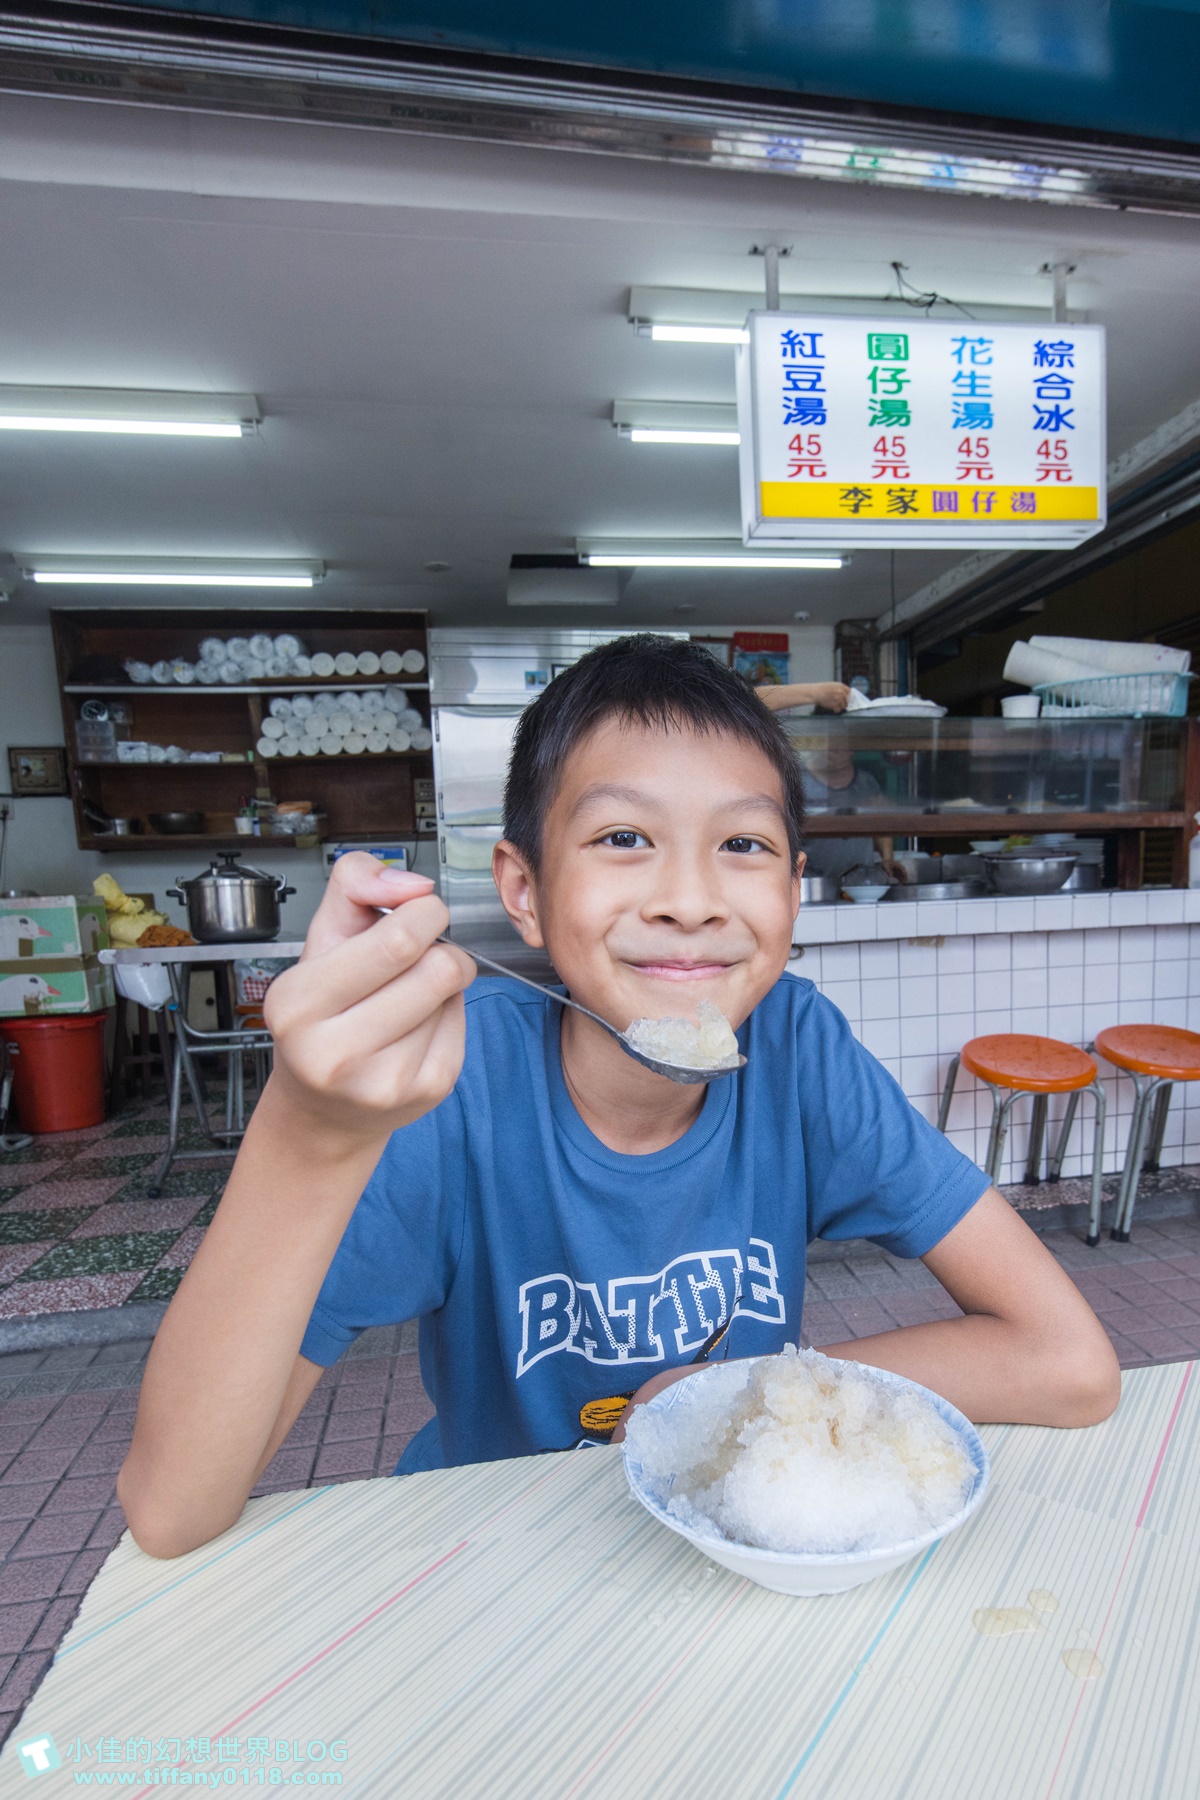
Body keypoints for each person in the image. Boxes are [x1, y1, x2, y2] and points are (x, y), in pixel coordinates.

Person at [118, 635, 1119, 1558]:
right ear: (524, 890)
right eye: (624, 838)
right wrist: (309, 1129)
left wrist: (755, 1391)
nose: (690, 898)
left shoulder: (798, 1050)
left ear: (795, 888)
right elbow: (172, 1509)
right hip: (497, 1554)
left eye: (744, 846)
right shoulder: (452, 1091)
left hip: (719, 1552)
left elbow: (1069, 1363)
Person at [754, 681, 902, 882]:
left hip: (861, 887)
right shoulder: (796, 781)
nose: (835, 747)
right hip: (811, 886)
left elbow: (880, 821)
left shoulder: (866, 783)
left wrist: (887, 857)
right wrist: (815, 692)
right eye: (828, 738)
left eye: (843, 740)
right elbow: (747, 702)